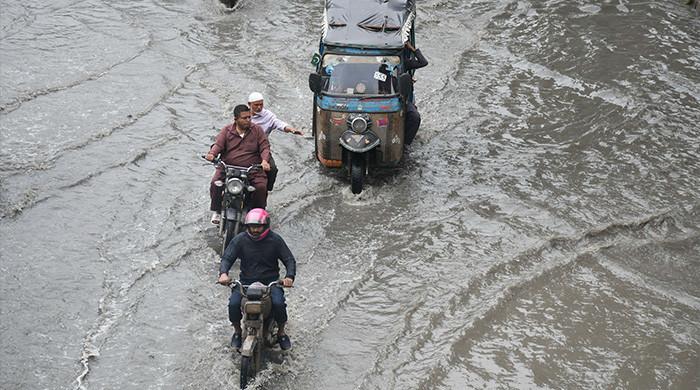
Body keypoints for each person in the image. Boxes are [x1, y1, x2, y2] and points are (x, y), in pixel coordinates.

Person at [217, 208, 296, 351]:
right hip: (246, 282)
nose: (255, 230)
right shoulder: (240, 240)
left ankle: (281, 332)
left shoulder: (275, 240)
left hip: (271, 283)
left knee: (279, 304)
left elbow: (289, 259)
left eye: (258, 227)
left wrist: (289, 277)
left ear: (265, 226)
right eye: (252, 227)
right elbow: (227, 258)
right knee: (233, 304)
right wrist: (223, 274)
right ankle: (237, 331)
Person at [205, 105, 271, 224]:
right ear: (236, 119)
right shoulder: (226, 130)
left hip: (252, 170)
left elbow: (264, 147)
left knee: (261, 187)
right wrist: (212, 154)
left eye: (249, 118)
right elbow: (218, 145)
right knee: (215, 183)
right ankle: (217, 211)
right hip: (228, 168)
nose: (248, 120)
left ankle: (256, 214)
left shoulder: (257, 130)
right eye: (244, 118)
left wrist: (264, 161)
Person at [247, 92, 303, 192]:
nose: (259, 107)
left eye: (261, 104)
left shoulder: (268, 116)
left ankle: (265, 191)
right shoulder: (244, 116)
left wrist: (291, 129)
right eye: (256, 105)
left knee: (272, 169)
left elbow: (279, 124)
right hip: (244, 148)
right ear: (249, 104)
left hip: (261, 149)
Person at [403, 41, 429, 146]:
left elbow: (423, 62)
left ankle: (405, 143)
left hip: (399, 98)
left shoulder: (403, 62)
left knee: (415, 117)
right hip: (377, 97)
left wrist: (413, 49)